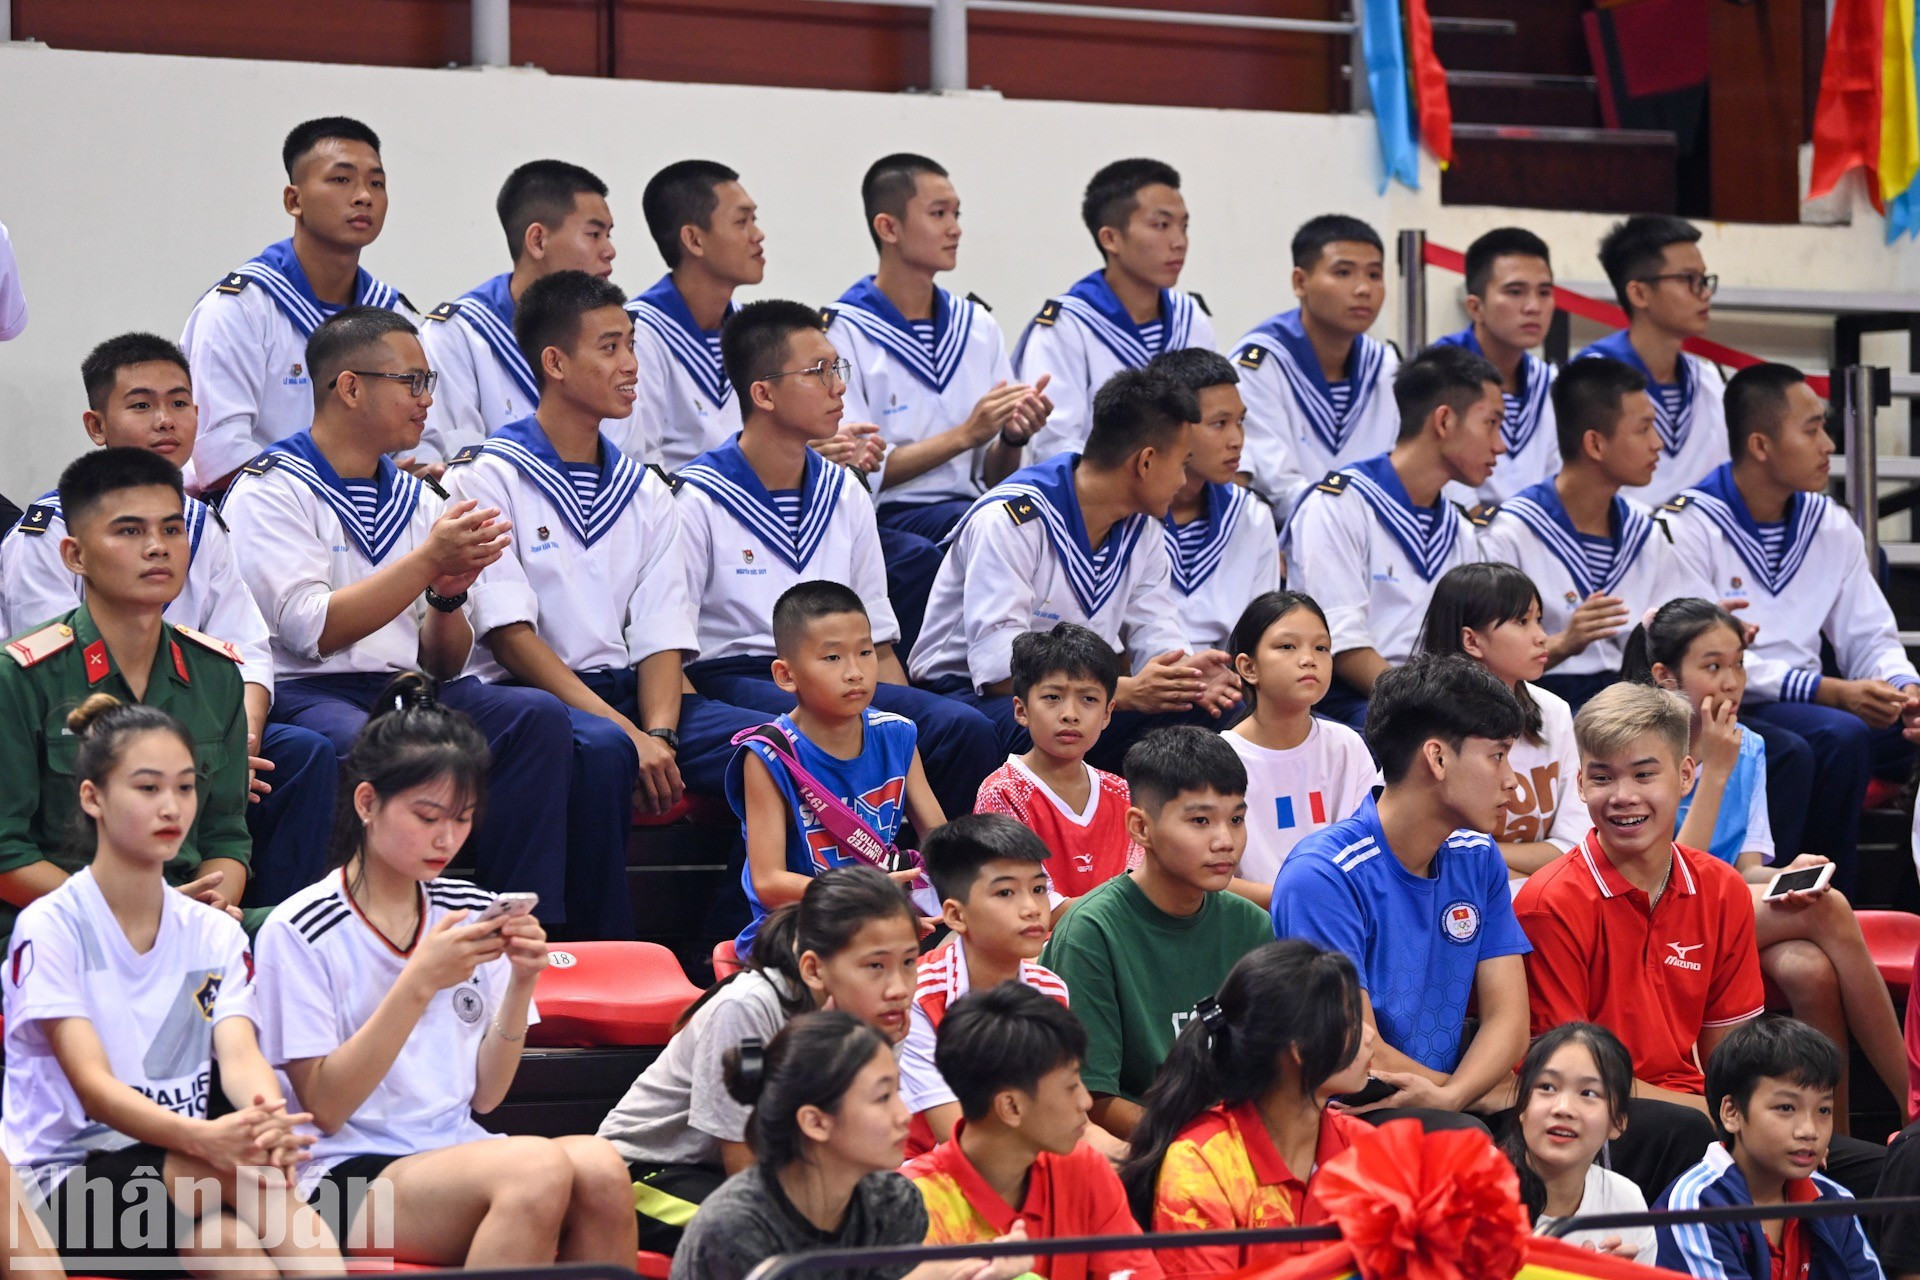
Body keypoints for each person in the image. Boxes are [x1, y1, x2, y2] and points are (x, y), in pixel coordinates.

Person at [218, 308, 606, 935]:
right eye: (412, 383)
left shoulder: (422, 496)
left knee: (533, 718)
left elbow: (443, 663)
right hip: (308, 691)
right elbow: (310, 631)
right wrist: (429, 561)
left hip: (404, 687)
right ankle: (358, 934)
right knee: (360, 743)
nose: (428, 401)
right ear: (350, 387)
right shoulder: (272, 487)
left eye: (429, 383)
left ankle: (527, 928)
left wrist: (449, 595)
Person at [252, 673, 636, 1268]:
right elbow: (325, 1107)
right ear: (367, 803)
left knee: (602, 1168)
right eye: (427, 816)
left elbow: (486, 1096)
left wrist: (522, 983)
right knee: (535, 1170)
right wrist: (419, 982)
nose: (446, 838)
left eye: (461, 819)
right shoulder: (300, 929)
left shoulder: (472, 909)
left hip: (457, 1147)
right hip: (342, 1173)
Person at [445, 271, 770, 930]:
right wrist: (630, 736)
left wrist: (659, 733)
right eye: (611, 347)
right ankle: (586, 950)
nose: (631, 365)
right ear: (556, 363)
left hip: (623, 695)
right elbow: (510, 637)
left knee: (775, 748)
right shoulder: (486, 476)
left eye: (632, 346)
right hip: (521, 698)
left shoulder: (647, 490)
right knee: (602, 750)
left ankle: (731, 949)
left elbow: (660, 630)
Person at [2, 696, 342, 1277]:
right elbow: (91, 1087)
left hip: (174, 1163)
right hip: (62, 1176)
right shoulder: (53, 927)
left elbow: (238, 1053)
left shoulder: (213, 930)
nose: (172, 807)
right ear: (93, 798)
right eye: (148, 788)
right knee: (245, 1177)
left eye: (185, 788)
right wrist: (211, 1140)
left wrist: (264, 1119)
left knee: (231, 1248)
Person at [1513, 682, 1884, 1201]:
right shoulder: (1547, 903)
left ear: (1686, 775)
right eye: (1602, 778)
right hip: (1610, 1119)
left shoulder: (1721, 886)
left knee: (1887, 1171)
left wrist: (1776, 1118)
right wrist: (1725, 1117)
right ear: (1579, 784)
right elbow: (1574, 1082)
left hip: (1706, 1112)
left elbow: (1732, 1056)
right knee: (1697, 1137)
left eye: (1645, 774)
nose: (1623, 796)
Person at [0, 333, 334, 904]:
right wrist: (143, 910)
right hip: (77, 906)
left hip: (185, 887)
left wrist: (238, 746)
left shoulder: (206, 525)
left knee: (300, 766)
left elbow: (246, 652)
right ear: (96, 425)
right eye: (141, 405)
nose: (157, 547)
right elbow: (64, 668)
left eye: (179, 403)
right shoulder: (48, 536)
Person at [678, 301, 998, 821]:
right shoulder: (698, 498)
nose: (838, 387)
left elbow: (879, 637)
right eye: (818, 373)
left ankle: (944, 885)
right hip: (741, 675)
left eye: (837, 369)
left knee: (960, 727)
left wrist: (907, 719)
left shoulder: (844, 490)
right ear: (762, 393)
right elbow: (671, 644)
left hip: (843, 670)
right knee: (823, 729)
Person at [1623, 599, 1909, 1127]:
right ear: (1664, 676)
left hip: (1722, 906)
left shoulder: (1747, 745)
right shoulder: (1636, 749)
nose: (1731, 681)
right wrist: (1713, 769)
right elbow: (1668, 873)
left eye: (1738, 664)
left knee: (1811, 969)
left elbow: (1746, 866)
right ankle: (1912, 1100)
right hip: (1653, 912)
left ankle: (1831, 1144)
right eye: (1712, 667)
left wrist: (1785, 875)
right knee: (1832, 909)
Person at [1665, 361, 1919, 885]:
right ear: (1760, 445)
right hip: (1732, 696)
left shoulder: (1829, 522)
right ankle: (1828, 896)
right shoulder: (1688, 523)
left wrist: (1904, 687)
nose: (1828, 444)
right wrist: (1826, 691)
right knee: (1836, 737)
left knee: (1899, 727)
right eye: (1812, 429)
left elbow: (1869, 633)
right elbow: (1699, 655)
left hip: (1818, 698)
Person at [912, 368, 1237, 767]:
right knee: (1064, 722)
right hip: (973, 697)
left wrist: (1184, 676)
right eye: (1182, 463)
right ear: (1146, 462)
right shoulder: (1013, 519)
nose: (1185, 479)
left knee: (1210, 711)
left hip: (1082, 698)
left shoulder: (1143, 527)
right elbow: (999, 670)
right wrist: (1125, 692)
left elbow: (1155, 627)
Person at [600, 866, 923, 1254]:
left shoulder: (881, 1015)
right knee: (787, 1235)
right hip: (649, 1174)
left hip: (781, 1174)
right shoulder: (749, 1006)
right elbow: (743, 1163)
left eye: (909, 962)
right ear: (814, 968)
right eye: (875, 966)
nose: (899, 988)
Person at [0, 449, 253, 945]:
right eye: (130, 531)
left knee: (309, 941)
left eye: (172, 530)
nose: (158, 547)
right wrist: (126, 912)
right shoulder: (22, 676)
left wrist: (207, 908)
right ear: (75, 555)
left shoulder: (216, 674)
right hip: (61, 924)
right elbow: (6, 852)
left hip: (183, 918)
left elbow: (226, 833)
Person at [1271, 654, 1531, 1130]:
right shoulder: (1323, 875)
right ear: (1436, 758)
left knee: (1626, 1125)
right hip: (1356, 1110)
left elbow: (1509, 1021)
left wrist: (1453, 1094)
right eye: (1497, 755)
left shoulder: (1478, 855)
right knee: (1476, 1133)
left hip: (1448, 1093)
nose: (1512, 781)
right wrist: (1470, 1097)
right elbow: (1357, 1046)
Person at [826, 154, 1052, 652]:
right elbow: (864, 472)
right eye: (938, 214)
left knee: (1038, 527)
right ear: (888, 226)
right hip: (891, 514)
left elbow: (997, 475)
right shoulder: (845, 330)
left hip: (972, 506)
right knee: (970, 543)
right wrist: (966, 435)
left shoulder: (977, 325)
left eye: (957, 214)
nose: (954, 229)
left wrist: (1013, 436)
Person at [670, 1010, 1033, 1280]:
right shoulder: (735, 1227)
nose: (903, 1115)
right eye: (882, 1098)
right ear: (815, 1121)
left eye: (898, 1092)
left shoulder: (895, 1202)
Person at [1040, 727, 1272, 1139]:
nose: (1225, 841)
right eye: (1200, 820)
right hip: (1148, 1150)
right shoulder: (1091, 933)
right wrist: (1202, 1147)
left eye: (1236, 819)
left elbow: (1272, 1071)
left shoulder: (1252, 924)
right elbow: (1093, 1101)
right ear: (1141, 828)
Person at [182, 117, 418, 495]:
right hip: (259, 525)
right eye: (341, 179)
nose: (364, 196)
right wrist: (333, 496)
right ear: (294, 200)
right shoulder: (238, 309)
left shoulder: (393, 316)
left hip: (372, 516)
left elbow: (416, 441)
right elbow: (221, 457)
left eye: (377, 183)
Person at [1282, 343, 1504, 732]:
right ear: (1445, 421)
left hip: (1434, 699)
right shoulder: (1340, 505)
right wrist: (1428, 707)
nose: (1501, 445)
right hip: (1351, 700)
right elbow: (1341, 642)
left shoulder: (1458, 527)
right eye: (1492, 423)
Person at [1121, 940, 1374, 1277]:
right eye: (1348, 1023)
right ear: (1299, 1050)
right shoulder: (1201, 1167)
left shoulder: (1366, 1149)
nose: (1369, 1035)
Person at [726, 581, 946, 957]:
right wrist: (864, 893)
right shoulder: (767, 755)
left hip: (883, 914)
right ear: (786, 675)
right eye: (833, 658)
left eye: (865, 652)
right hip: (800, 926)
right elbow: (768, 882)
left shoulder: (897, 734)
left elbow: (942, 842)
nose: (855, 672)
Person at [1473, 355, 1690, 713]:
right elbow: (1483, 660)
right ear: (1595, 444)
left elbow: (1669, 634)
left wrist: (1704, 627)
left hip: (1634, 694)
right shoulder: (1513, 531)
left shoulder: (1645, 531)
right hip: (1535, 700)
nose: (1658, 443)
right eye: (1644, 428)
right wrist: (1564, 643)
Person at [904, 984, 1159, 1280]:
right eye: (1071, 1087)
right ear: (1010, 1107)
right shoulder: (912, 1204)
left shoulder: (1085, 1169)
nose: (1086, 1102)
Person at [418, 159, 619, 458]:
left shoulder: (615, 335)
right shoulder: (458, 334)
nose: (610, 251)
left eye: (609, 235)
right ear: (537, 240)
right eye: (594, 234)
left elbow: (630, 455)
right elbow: (458, 464)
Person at [1015, 158, 1214, 459]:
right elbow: (1053, 446)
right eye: (1161, 225)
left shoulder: (1191, 319)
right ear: (1111, 238)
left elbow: (1215, 420)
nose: (1179, 241)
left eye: (1183, 226)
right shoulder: (1068, 325)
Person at [1656, 1017, 1882, 1280]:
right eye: (1786, 1108)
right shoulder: (1695, 1207)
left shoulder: (1834, 1199)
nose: (1809, 1130)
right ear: (1732, 1113)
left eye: (1823, 1110)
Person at [904, 815, 1070, 1155]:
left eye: (1039, 889)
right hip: (920, 1177)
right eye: (1005, 892)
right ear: (955, 915)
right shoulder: (917, 996)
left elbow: (1055, 1109)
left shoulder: (1050, 989)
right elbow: (955, 1136)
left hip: (1018, 1159)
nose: (1031, 909)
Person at [1416, 564, 1590, 881]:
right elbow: (1417, 844)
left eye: (1538, 620)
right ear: (1471, 640)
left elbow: (1576, 847)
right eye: (1522, 622)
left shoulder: (1554, 711)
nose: (1541, 637)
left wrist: (1476, 859)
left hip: (1549, 896)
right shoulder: (1422, 720)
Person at [1232, 215, 1400, 522]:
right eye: (1343, 272)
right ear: (1300, 282)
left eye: (1375, 275)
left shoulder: (1386, 365)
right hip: (1285, 540)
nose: (1364, 289)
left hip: (1377, 537)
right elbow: (1274, 483)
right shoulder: (1260, 363)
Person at [1222, 591, 1376, 903]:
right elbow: (1211, 877)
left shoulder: (1347, 745)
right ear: (1248, 668)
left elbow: (1374, 851)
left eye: (1321, 648)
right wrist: (1295, 899)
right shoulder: (1221, 758)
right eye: (1287, 646)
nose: (1309, 659)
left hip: (1342, 915)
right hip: (1255, 925)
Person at [972, 625, 1139, 903]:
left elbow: (1142, 885)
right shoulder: (1002, 792)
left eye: (1089, 699)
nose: (1070, 714)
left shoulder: (1121, 791)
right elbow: (1022, 901)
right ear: (1021, 710)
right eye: (1052, 697)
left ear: (1108, 713)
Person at [614, 161, 760, 471]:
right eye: (741, 222)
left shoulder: (755, 328)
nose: (757, 235)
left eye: (754, 219)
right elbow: (637, 463)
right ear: (694, 239)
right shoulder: (637, 333)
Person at [1573, 215, 1728, 507]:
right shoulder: (1589, 378)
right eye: (1688, 280)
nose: (1705, 293)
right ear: (1639, 293)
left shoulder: (1709, 379)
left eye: (1704, 280)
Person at [1148, 348, 1280, 653]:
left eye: (1240, 422)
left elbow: (1260, 635)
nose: (1237, 440)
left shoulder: (1251, 515)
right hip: (1142, 684)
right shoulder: (1128, 514)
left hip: (1227, 683)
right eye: (1219, 423)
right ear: (1171, 427)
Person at [1499, 1023, 1656, 1263]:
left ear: (1617, 1123)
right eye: (1547, 1087)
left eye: (1588, 1093)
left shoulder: (1626, 1203)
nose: (1563, 1109)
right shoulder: (1479, 1193)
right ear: (1522, 1108)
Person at [1431, 227, 1560, 507]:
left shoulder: (1549, 382)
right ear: (1476, 308)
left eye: (1544, 292)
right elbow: (1437, 477)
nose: (1533, 307)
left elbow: (1557, 479)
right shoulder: (1436, 374)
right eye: (1515, 292)